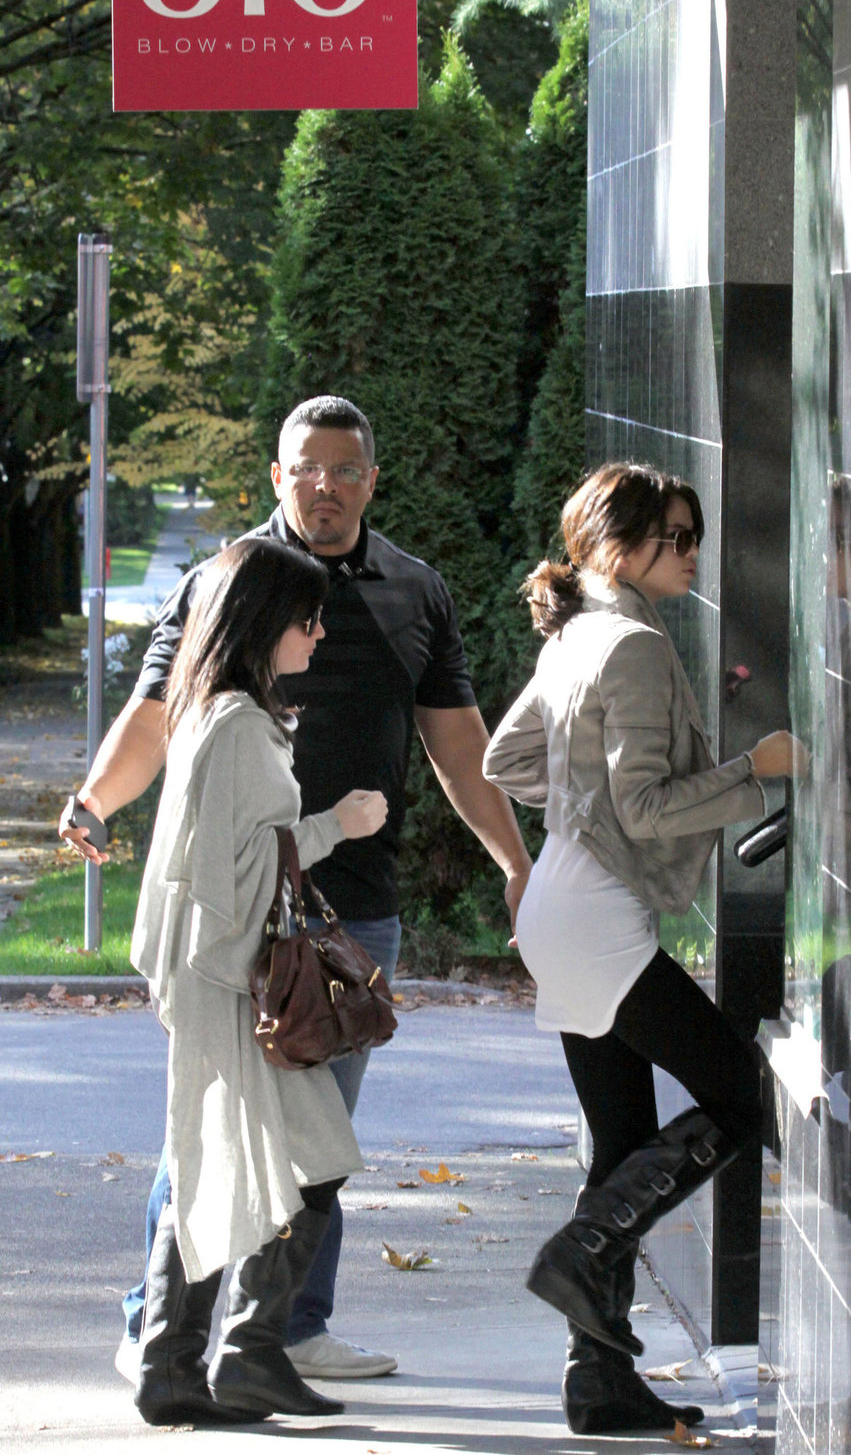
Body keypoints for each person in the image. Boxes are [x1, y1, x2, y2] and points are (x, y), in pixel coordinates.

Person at [60, 395, 531, 1382]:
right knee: (214, 1122)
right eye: (305, 467)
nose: (324, 484)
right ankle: (160, 1324)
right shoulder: (227, 580)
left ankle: (286, 1328)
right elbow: (155, 713)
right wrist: (96, 800)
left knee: (319, 1137)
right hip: (236, 908)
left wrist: (514, 861)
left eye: (344, 468)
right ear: (277, 476)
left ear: (371, 477)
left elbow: (455, 739)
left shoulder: (413, 590)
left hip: (349, 911)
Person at [482, 462, 807, 1436]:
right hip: (593, 915)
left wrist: (586, 813)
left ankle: (598, 1380)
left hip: (566, 900)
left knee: (623, 1142)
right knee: (740, 1093)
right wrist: (755, 772)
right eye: (678, 535)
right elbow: (643, 805)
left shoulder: (580, 630)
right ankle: (582, 1250)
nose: (694, 553)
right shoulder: (624, 643)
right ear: (620, 543)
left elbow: (510, 761)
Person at [129, 535, 387, 1426]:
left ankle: (182, 1367)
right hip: (242, 983)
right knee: (311, 1163)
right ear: (268, 621)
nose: (316, 636)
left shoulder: (213, 710)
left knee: (214, 1159)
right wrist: (336, 824)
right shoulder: (237, 724)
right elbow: (240, 873)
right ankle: (241, 1355)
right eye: (309, 619)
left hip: (227, 977)